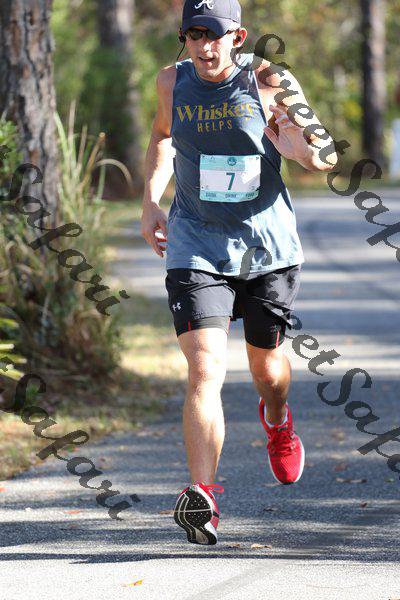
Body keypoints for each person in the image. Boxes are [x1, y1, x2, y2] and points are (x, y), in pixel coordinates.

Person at [140, 0, 338, 545]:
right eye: (193, 34)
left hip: (265, 247)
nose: (204, 46)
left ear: (238, 36)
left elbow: (325, 154)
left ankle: (277, 419)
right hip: (195, 243)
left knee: (267, 370)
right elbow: (161, 135)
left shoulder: (271, 80)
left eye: (214, 34)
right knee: (205, 368)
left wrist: (300, 151)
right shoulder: (171, 81)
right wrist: (151, 201)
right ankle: (203, 497)